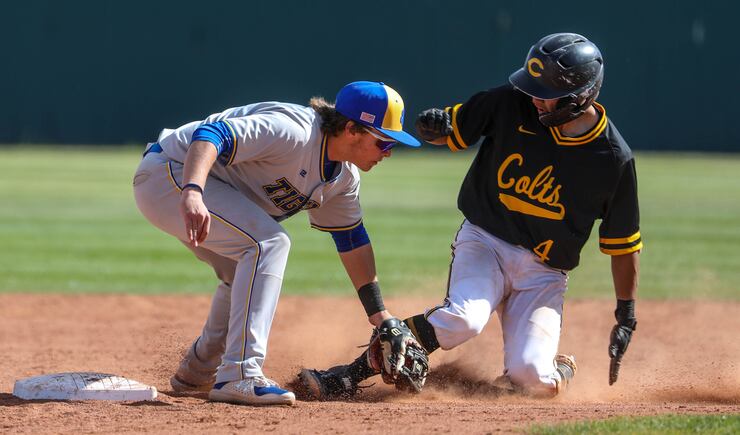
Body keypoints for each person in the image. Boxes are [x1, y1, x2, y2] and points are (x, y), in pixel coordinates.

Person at [300, 33, 641, 399]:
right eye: (533, 87)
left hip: (544, 274)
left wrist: (626, 313)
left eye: (546, 93)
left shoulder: (613, 160)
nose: (534, 97)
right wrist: (434, 129)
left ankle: (560, 367)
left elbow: (623, 244)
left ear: (581, 96)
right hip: (486, 243)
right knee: (463, 320)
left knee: (534, 382)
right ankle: (348, 375)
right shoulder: (512, 103)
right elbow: (451, 130)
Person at [133, 81, 421, 406]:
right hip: (170, 174)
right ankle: (241, 373)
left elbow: (351, 240)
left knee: (243, 270)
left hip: (200, 187)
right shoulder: (293, 131)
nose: (388, 152)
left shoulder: (343, 179)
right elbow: (211, 134)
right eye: (383, 142)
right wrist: (193, 191)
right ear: (352, 129)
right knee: (268, 244)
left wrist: (380, 315)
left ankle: (197, 372)